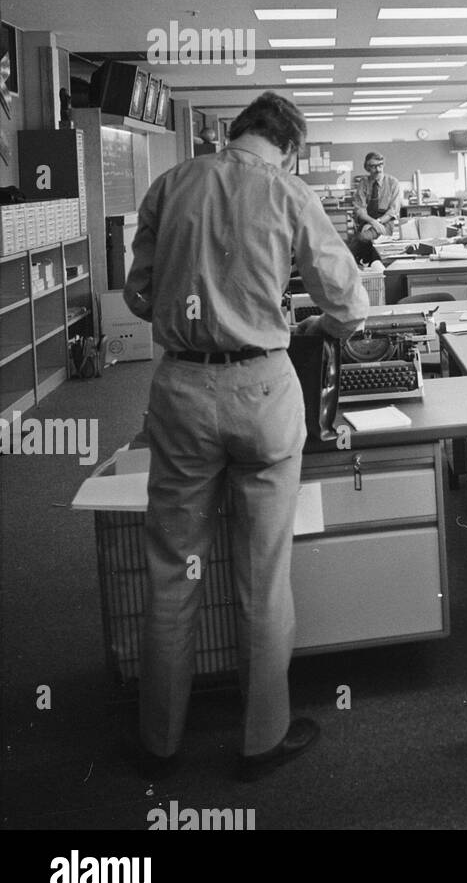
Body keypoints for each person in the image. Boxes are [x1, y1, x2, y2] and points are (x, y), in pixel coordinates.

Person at [124, 92, 369, 780]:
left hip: (180, 390)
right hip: (263, 388)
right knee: (263, 576)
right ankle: (261, 739)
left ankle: (158, 742)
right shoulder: (289, 193)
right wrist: (317, 324)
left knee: (173, 570)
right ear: (288, 147)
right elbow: (350, 304)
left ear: (233, 134)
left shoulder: (171, 184)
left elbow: (137, 293)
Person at [348, 151, 405, 264]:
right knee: (354, 243)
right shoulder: (364, 182)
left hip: (385, 222)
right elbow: (360, 209)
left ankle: (364, 265)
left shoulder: (393, 183)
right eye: (374, 167)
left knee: (362, 238)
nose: (378, 169)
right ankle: (362, 265)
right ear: (367, 168)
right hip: (368, 221)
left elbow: (393, 210)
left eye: (380, 165)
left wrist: (378, 222)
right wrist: (372, 222)